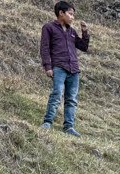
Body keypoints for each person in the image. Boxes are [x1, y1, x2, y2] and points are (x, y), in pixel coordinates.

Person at [39, 1, 91, 137]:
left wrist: (85, 32)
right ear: (61, 13)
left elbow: (84, 47)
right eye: (70, 14)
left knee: (71, 99)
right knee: (56, 94)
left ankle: (69, 127)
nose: (72, 17)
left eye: (73, 15)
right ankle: (47, 122)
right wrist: (47, 67)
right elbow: (44, 48)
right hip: (59, 67)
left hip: (74, 69)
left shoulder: (72, 31)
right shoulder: (48, 27)